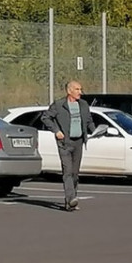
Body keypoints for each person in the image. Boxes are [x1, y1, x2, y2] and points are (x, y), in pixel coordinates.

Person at [40, 79, 97, 211]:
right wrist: (56, 131)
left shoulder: (83, 105)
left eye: (80, 89)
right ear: (69, 91)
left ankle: (70, 201)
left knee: (75, 173)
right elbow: (45, 118)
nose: (80, 92)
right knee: (67, 172)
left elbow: (88, 120)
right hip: (64, 143)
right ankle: (71, 198)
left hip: (78, 142)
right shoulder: (59, 105)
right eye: (77, 90)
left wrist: (95, 131)